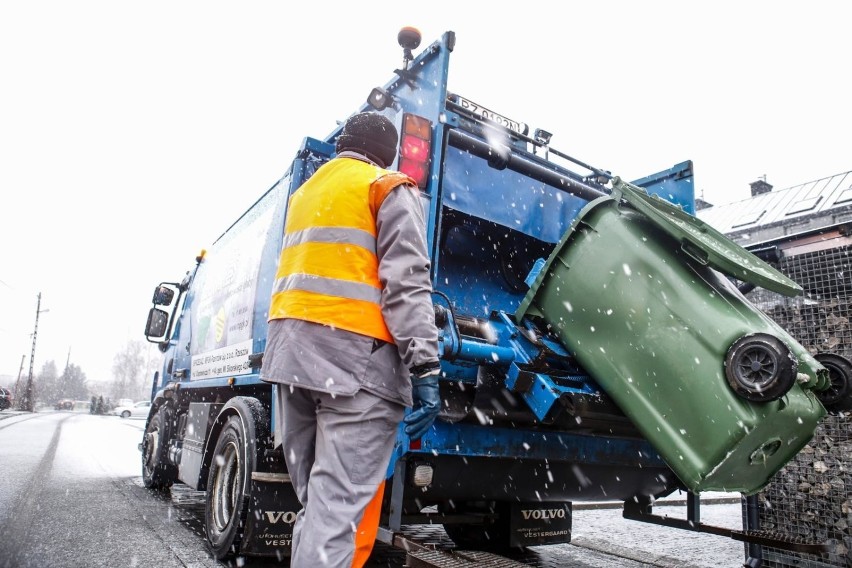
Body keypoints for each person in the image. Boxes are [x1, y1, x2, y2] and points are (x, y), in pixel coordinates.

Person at [261, 112, 441, 567]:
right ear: (387, 153)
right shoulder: (386, 187)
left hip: (291, 362)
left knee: (319, 510)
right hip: (357, 368)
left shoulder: (307, 193)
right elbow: (407, 284)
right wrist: (425, 367)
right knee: (335, 513)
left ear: (343, 144)